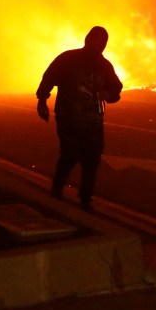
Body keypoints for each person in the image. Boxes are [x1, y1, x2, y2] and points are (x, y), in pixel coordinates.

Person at [36, 26, 123, 209]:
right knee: (70, 153)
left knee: (92, 158)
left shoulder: (105, 66)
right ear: (87, 39)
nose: (99, 44)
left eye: (103, 41)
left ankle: (85, 198)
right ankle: (57, 188)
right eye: (96, 39)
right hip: (69, 116)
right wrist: (42, 99)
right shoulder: (68, 59)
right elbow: (49, 78)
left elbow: (116, 88)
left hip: (93, 121)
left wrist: (107, 93)